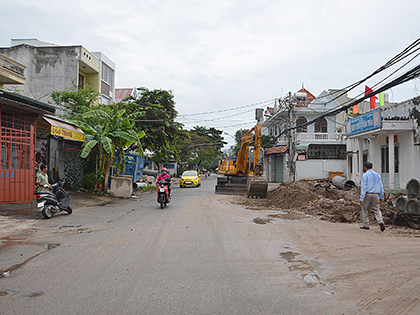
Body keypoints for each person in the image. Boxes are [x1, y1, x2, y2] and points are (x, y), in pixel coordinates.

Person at [360, 161, 385, 231]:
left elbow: (363, 187)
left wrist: (361, 198)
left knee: (364, 209)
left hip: (367, 194)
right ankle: (380, 221)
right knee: (377, 209)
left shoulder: (365, 175)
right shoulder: (378, 175)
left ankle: (366, 224)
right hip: (376, 195)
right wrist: (381, 196)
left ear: (365, 167)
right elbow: (381, 186)